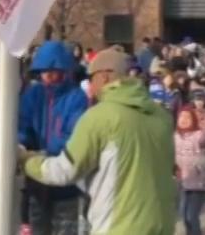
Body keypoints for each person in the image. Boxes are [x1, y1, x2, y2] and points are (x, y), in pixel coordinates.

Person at [20, 47, 177, 235]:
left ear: (104, 76)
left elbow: (65, 170)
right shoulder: (161, 116)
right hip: (161, 224)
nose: (90, 86)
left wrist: (25, 159)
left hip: (118, 226)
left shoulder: (101, 117)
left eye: (91, 78)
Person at [18, 41, 89, 235]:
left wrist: (49, 152)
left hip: (64, 177)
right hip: (36, 177)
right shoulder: (33, 94)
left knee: (65, 228)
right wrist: (22, 144)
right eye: (44, 71)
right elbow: (24, 124)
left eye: (54, 70)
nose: (48, 75)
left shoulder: (76, 97)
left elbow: (75, 134)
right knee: (37, 225)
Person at [174, 106, 205, 235]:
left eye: (187, 117)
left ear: (193, 119)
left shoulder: (199, 135)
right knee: (184, 215)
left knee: (191, 216)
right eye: (181, 117)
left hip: (199, 182)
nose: (183, 120)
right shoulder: (175, 136)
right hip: (183, 180)